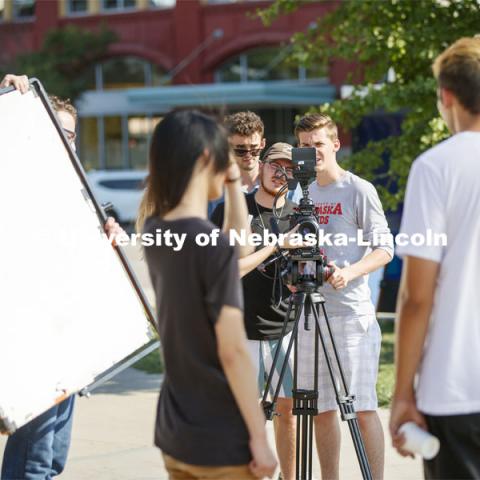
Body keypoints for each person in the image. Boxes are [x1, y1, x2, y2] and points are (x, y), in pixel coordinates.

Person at [141, 109, 277, 480]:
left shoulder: (155, 232)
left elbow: (238, 244)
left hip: (176, 430)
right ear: (205, 158)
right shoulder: (211, 248)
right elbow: (233, 353)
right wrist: (259, 438)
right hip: (221, 436)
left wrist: (232, 182)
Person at [0, 73, 123, 480]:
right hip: (31, 335)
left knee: (53, 458)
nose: (65, 139)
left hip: (67, 334)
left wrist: (106, 227)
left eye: (70, 133)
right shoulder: (16, 171)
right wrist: (7, 99)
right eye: (56, 129)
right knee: (34, 459)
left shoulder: (74, 183)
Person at [389, 37, 480, 479]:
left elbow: (416, 295)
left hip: (457, 387)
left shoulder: (435, 167)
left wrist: (402, 392)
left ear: (447, 96)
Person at [295, 113, 393, 480]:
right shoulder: (297, 192)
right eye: (304, 146)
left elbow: (385, 248)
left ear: (335, 144)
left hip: (351, 314)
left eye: (317, 144)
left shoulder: (358, 189)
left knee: (363, 407)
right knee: (321, 410)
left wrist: (350, 272)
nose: (311, 152)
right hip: (309, 314)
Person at [211, 142, 300, 480]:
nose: (282, 174)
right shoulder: (234, 209)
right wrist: (278, 244)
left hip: (285, 328)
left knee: (287, 411)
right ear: (261, 166)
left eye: (290, 169)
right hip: (242, 327)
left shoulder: (297, 214)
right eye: (276, 165)